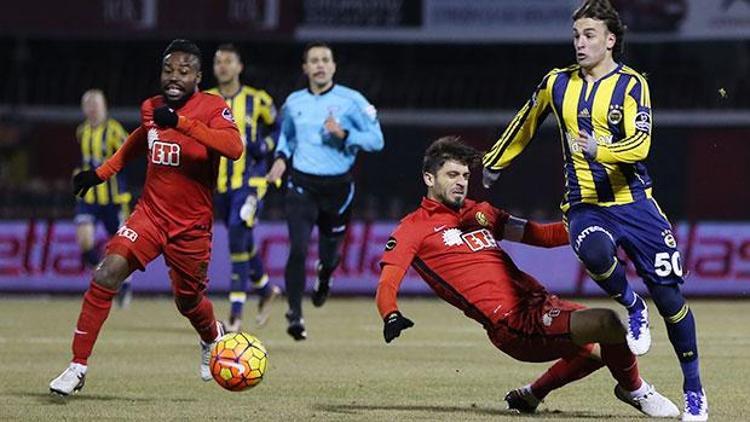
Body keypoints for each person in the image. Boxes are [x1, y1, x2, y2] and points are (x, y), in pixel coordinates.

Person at [480, 1, 706, 420]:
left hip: (635, 204)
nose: (579, 43)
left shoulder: (633, 84)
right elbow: (526, 121)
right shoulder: (557, 82)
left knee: (672, 299)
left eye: (588, 35)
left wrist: (600, 149)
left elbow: (642, 146)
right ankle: (631, 305)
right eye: (576, 35)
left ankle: (694, 390)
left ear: (610, 40)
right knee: (594, 252)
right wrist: (495, 160)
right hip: (586, 205)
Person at [376, 136, 679, 418]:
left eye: (465, 176)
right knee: (608, 323)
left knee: (602, 352)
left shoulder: (480, 213)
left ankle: (530, 395)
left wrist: (598, 226)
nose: (461, 183)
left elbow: (542, 236)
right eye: (452, 176)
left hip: (539, 304)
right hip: (512, 323)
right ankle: (635, 391)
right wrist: (390, 314)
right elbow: (389, 279)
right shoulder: (413, 228)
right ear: (429, 179)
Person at [49, 39, 243, 397]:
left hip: (192, 227)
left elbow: (233, 148)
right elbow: (140, 139)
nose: (174, 78)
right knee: (107, 272)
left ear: (198, 76)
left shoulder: (214, 107)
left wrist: (182, 123)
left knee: (188, 301)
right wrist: (100, 174)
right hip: (150, 215)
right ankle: (77, 367)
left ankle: (211, 335)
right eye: (168, 70)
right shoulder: (151, 107)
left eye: (184, 72)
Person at [266, 42, 384, 340]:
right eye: (314, 60)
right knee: (298, 249)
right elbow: (286, 139)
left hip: (338, 188)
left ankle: (325, 276)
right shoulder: (293, 103)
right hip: (301, 185)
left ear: (333, 66)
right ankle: (295, 314)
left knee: (330, 255)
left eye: (325, 60)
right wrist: (280, 160)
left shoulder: (352, 101)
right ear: (305, 68)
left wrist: (344, 134)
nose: (320, 65)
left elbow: (376, 140)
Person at [207, 43, 281, 331]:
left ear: (239, 67)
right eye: (218, 62)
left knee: (238, 228)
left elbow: (279, 128)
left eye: (228, 61)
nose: (223, 66)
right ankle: (264, 290)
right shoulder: (205, 100)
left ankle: (236, 314)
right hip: (220, 185)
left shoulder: (257, 99)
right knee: (241, 239)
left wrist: (265, 145)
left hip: (251, 181)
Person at [75, 89, 134, 308]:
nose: (92, 108)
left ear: (104, 107)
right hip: (89, 198)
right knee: (84, 241)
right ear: (84, 109)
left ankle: (125, 284)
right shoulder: (82, 132)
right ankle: (107, 277)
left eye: (96, 104)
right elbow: (85, 161)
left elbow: (132, 151)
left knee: (122, 248)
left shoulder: (114, 131)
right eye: (88, 104)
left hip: (114, 199)